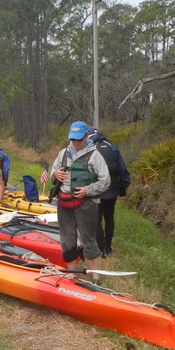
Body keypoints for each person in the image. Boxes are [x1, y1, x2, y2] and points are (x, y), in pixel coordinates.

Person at [51, 121, 110, 285]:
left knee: (88, 238)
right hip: (64, 204)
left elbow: (105, 181)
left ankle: (96, 277)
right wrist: (55, 174)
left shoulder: (95, 155)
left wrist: (88, 191)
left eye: (79, 139)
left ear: (86, 136)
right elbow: (52, 172)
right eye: (73, 139)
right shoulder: (63, 153)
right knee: (67, 239)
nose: (76, 142)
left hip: (86, 205)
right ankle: (71, 275)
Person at [88, 128, 131, 256]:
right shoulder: (112, 146)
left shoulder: (89, 148)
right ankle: (108, 247)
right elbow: (122, 169)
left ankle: (101, 250)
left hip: (96, 189)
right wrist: (122, 189)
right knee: (109, 217)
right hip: (112, 189)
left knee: (97, 219)